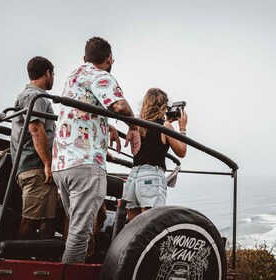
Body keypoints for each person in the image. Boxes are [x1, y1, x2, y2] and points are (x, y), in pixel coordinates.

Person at [51, 36, 140, 264]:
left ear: (85, 57)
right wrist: (134, 126)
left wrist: (105, 123)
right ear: (109, 58)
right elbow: (119, 105)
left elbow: (80, 111)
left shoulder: (73, 78)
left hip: (62, 164)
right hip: (85, 164)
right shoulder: (101, 76)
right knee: (81, 234)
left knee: (74, 227)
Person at [122, 88, 188, 221]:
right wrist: (182, 128)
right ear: (163, 106)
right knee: (150, 226)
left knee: (133, 228)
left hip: (133, 177)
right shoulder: (165, 126)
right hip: (151, 178)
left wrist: (166, 121)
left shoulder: (137, 126)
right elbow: (182, 152)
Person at [10, 56, 57, 240]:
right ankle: (15, 259)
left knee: (47, 218)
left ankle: (38, 256)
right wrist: (47, 163)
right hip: (36, 167)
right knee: (30, 221)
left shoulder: (27, 95)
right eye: (53, 74)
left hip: (31, 166)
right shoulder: (35, 97)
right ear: (47, 73)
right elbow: (36, 129)